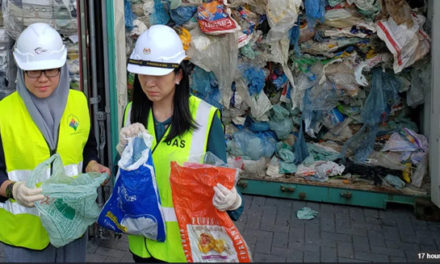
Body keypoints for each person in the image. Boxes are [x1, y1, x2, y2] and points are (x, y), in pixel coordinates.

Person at [116, 24, 243, 263]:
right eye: (143, 74)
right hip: (142, 245)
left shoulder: (205, 119)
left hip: (186, 249)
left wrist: (234, 200)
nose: (149, 83)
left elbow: (226, 192)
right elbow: (121, 177)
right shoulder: (132, 112)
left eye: (158, 74)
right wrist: (122, 152)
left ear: (178, 75)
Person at [0, 23, 110, 262]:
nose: (43, 79)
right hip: (25, 240)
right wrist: (12, 189)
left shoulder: (79, 103)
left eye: (51, 70)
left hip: (71, 229)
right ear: (21, 71)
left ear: (62, 69)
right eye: (33, 71)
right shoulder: (3, 113)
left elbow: (87, 148)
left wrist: (92, 165)